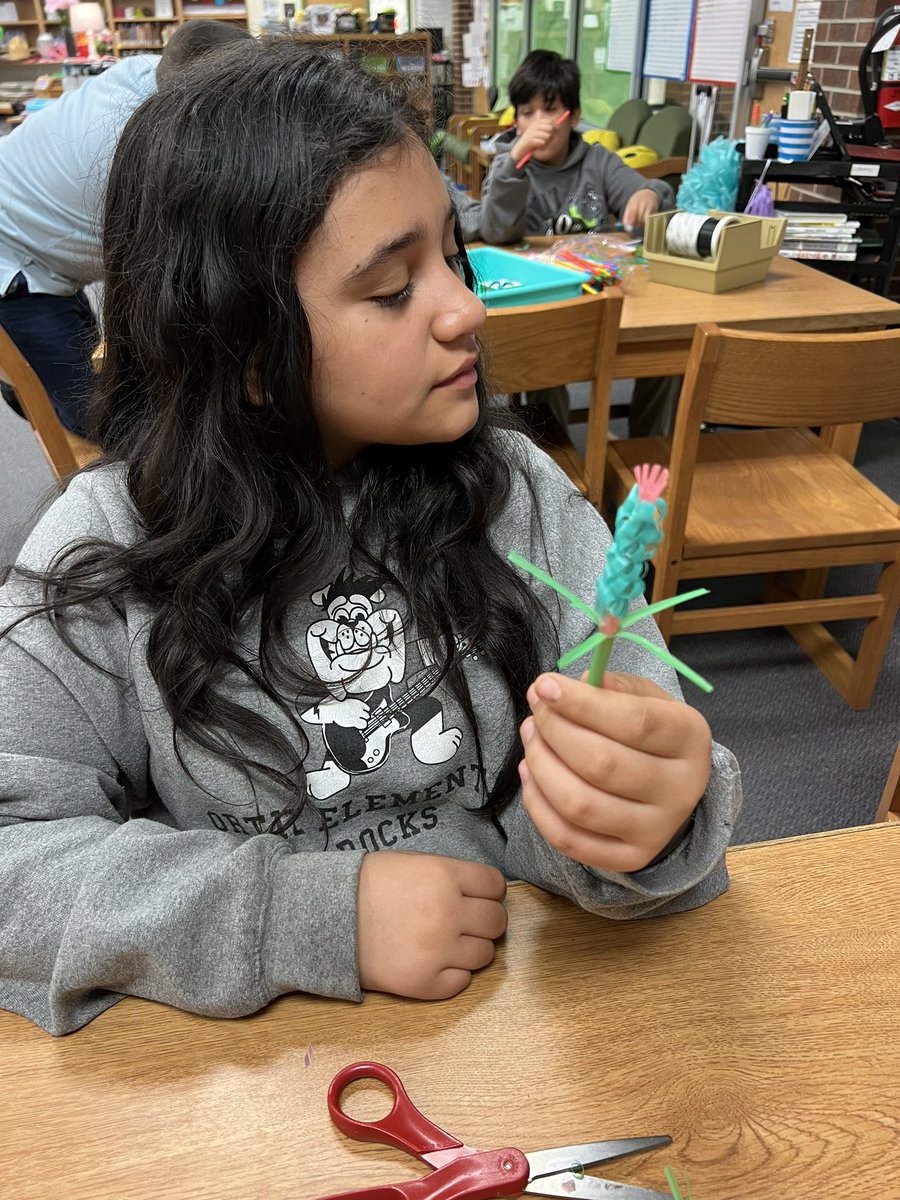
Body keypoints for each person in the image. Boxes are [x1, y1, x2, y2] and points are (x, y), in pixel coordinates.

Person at [0, 38, 741, 1036]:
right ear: (244, 345)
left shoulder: (515, 493)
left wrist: (650, 818)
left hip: (514, 1036)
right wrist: (308, 916)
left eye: (452, 251)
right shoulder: (108, 547)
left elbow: (621, 778)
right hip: (241, 1090)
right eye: (393, 288)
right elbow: (16, 864)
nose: (466, 308)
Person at [0, 19, 251, 439]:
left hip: (39, 223)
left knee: (107, 371)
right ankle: (33, 389)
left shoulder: (146, 68)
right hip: (13, 256)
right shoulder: (140, 153)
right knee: (99, 416)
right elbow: (156, 278)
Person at [477, 50, 681, 438]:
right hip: (546, 304)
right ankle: (557, 458)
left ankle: (647, 455)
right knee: (544, 367)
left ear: (573, 114)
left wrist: (650, 195)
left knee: (666, 351)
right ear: (515, 119)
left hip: (601, 292)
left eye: (550, 110)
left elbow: (643, 189)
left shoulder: (597, 161)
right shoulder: (508, 167)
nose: (539, 124)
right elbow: (496, 232)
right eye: (526, 112)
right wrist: (514, 163)